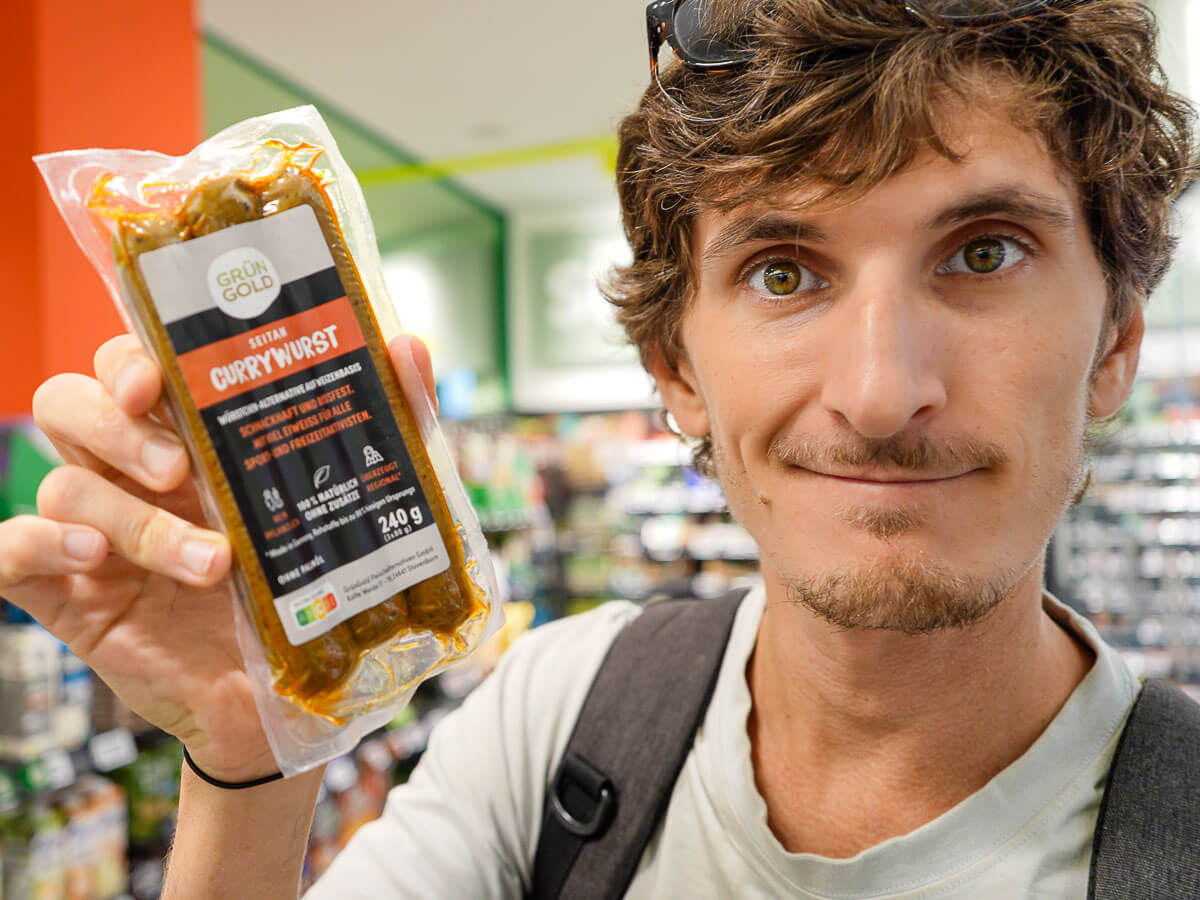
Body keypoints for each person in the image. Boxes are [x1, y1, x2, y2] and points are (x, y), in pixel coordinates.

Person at [2, 0, 1197, 896]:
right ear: (675, 370)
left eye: (983, 253)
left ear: (1114, 344)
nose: (882, 394)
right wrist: (251, 745)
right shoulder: (554, 717)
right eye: (785, 273)